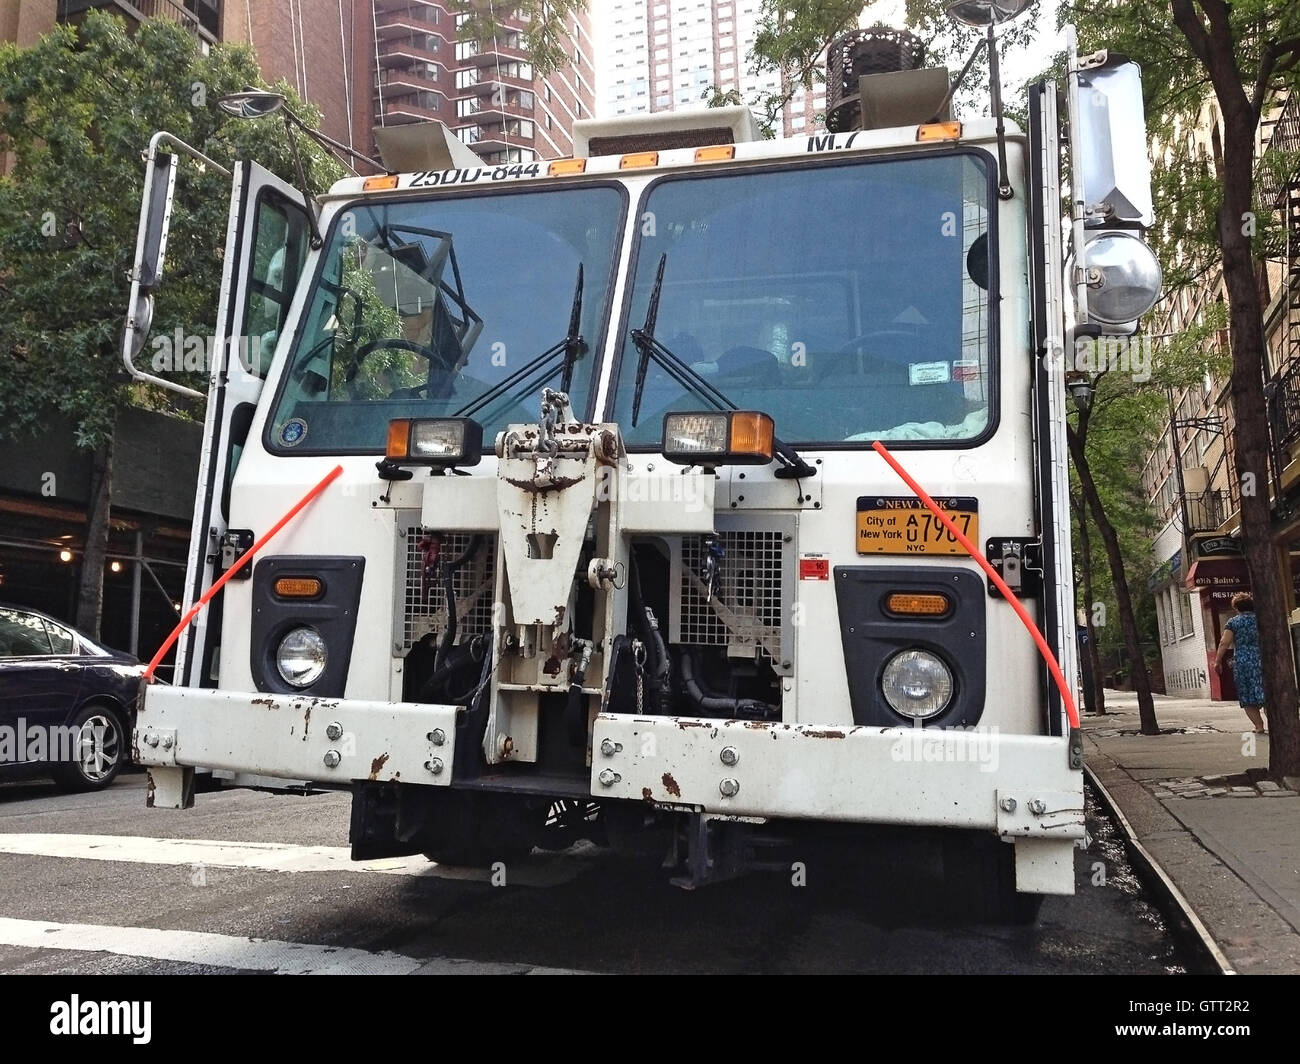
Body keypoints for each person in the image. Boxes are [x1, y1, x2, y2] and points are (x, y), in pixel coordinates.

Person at [1214, 592, 1267, 734]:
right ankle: (1275, 723)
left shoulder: (1233, 622)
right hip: (1263, 658)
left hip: (1243, 661)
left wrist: (1218, 661)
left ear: (1236, 608)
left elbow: (1224, 642)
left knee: (1247, 695)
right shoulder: (1261, 619)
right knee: (1266, 691)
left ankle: (1259, 726)